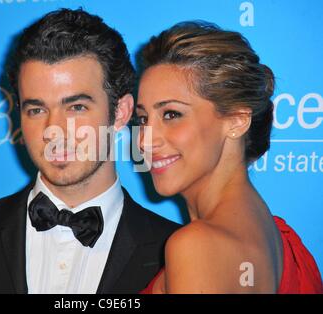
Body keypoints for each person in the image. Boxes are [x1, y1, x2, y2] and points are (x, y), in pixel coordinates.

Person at [0, 8, 181, 294]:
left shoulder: (175, 252)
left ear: (120, 112)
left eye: (76, 107)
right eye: (37, 109)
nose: (53, 130)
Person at [136, 21, 323, 294]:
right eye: (142, 118)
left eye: (171, 114)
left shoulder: (197, 248)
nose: (145, 140)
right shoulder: (275, 237)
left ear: (236, 120)